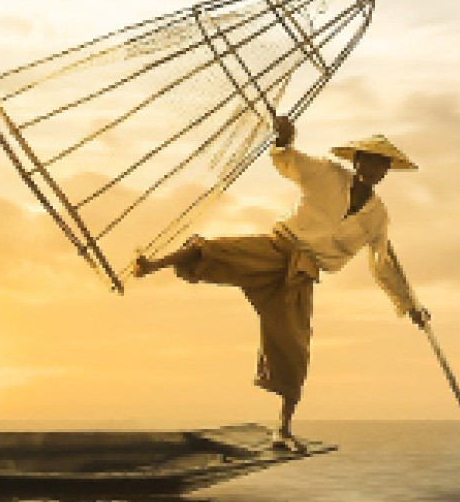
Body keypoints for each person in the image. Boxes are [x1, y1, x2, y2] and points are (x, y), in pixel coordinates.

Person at [131, 115, 429, 451]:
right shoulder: (328, 175)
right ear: (357, 161)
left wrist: (409, 305)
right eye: (369, 162)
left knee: (295, 348)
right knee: (217, 251)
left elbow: (384, 261)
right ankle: (153, 264)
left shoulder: (377, 216)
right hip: (278, 247)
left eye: (380, 166)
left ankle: (284, 429)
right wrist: (284, 141)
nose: (373, 171)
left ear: (385, 172)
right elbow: (291, 163)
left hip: (303, 275)